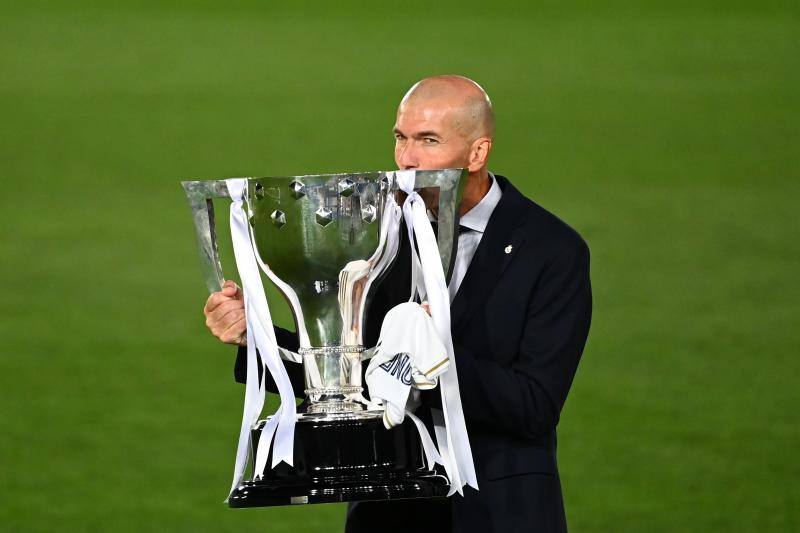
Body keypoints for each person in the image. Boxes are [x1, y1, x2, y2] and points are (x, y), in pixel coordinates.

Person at [203, 75, 592, 533]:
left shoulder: (552, 249)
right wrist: (257, 336)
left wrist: (427, 361)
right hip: (388, 514)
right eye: (400, 139)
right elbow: (349, 378)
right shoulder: (375, 239)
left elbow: (533, 408)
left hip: (499, 512)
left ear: (477, 152)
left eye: (428, 141)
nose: (407, 159)